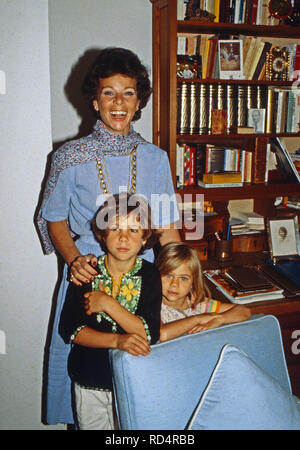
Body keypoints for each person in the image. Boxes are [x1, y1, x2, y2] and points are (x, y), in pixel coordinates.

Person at [37, 47, 180, 425]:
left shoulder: (156, 158)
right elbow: (54, 220)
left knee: (138, 384)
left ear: (139, 101)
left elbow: (167, 229)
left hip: (141, 278)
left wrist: (186, 276)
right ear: (94, 99)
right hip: (89, 275)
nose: (119, 102)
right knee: (87, 384)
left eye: (128, 92)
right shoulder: (68, 157)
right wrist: (74, 260)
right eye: (109, 92)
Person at [59, 193, 162, 430]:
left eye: (134, 230)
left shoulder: (150, 275)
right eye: (115, 228)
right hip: (89, 378)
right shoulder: (87, 272)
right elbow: (71, 330)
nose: (124, 237)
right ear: (102, 235)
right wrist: (117, 340)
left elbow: (149, 333)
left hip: (133, 378)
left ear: (145, 238)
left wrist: (107, 303)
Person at [155, 243, 251, 342]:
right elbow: (162, 334)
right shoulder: (151, 306)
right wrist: (197, 319)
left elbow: (244, 311)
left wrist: (219, 319)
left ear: (193, 282)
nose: (174, 284)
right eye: (168, 275)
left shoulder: (199, 305)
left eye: (183, 278)